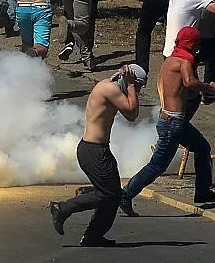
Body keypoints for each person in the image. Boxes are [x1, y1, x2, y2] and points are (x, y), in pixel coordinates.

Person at [121, 26, 215, 216]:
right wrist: (210, 87)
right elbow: (189, 82)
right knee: (157, 165)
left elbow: (181, 88)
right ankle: (126, 194)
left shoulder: (171, 60)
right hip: (173, 121)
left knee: (202, 148)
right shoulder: (185, 60)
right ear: (192, 44)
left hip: (168, 118)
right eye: (196, 44)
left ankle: (203, 191)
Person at [50, 64, 145, 247]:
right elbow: (132, 114)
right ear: (127, 79)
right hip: (93, 151)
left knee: (113, 195)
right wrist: (131, 85)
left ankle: (93, 236)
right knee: (109, 195)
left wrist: (130, 84)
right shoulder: (109, 88)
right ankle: (62, 208)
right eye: (138, 86)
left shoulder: (109, 86)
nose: (137, 92)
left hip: (97, 150)